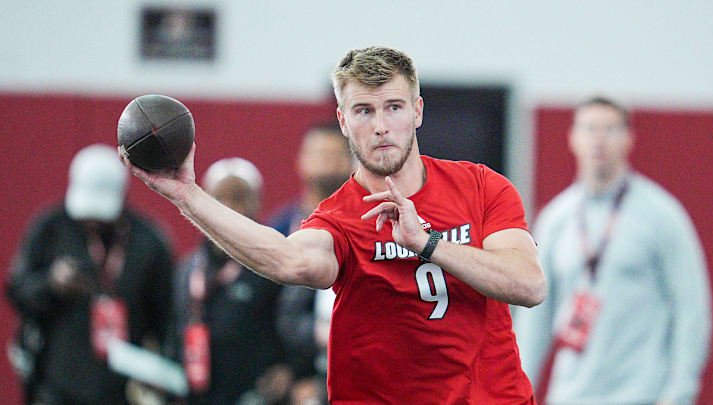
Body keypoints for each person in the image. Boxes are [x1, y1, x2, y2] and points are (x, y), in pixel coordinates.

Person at [121, 46, 546, 404]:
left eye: (393, 107)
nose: (380, 126)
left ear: (416, 111)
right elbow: (289, 260)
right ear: (343, 121)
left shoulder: (481, 186)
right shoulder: (340, 217)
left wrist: (427, 243)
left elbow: (529, 286)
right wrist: (187, 195)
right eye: (363, 110)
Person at [512, 97, 713, 405]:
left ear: (628, 138)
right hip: (570, 396)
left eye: (610, 129)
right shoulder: (556, 219)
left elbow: (692, 310)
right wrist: (518, 390)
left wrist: (679, 393)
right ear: (573, 138)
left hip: (641, 395)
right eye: (590, 128)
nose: (599, 139)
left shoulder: (661, 215)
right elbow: (535, 317)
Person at [7, 144, 173, 405]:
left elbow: (166, 318)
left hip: (123, 389)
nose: (93, 221)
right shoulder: (51, 229)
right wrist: (51, 284)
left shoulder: (148, 242)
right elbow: (17, 290)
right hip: (56, 385)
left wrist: (159, 371)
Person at [172, 157, 290, 405]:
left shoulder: (276, 264)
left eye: (239, 198)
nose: (230, 208)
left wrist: (290, 370)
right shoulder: (187, 270)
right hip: (195, 393)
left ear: (257, 203)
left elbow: (291, 328)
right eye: (220, 199)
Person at [271, 123, 355, 405]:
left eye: (332, 155)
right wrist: (289, 371)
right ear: (300, 160)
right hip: (294, 373)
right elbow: (265, 307)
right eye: (317, 154)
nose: (324, 163)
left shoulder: (368, 224)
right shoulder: (280, 229)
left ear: (349, 161)